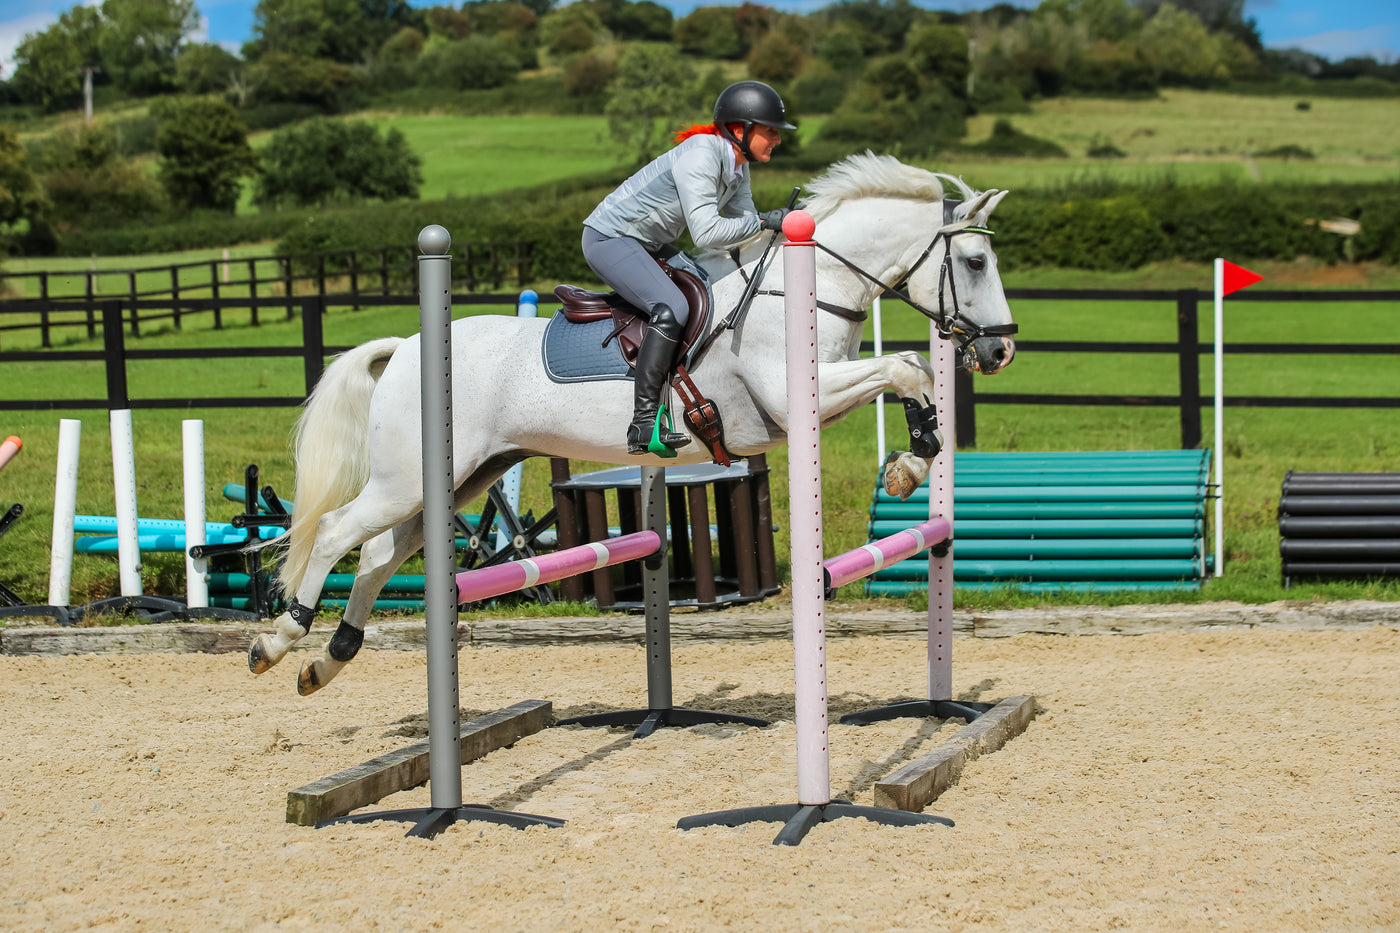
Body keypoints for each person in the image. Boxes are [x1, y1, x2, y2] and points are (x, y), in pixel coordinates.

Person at [582, 80, 796, 455]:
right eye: (770, 131)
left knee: (707, 288)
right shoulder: (702, 155)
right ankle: (643, 423)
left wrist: (772, 229)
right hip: (609, 239)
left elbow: (741, 226)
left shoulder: (736, 167)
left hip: (645, 242)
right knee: (672, 308)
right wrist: (766, 223)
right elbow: (709, 233)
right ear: (739, 129)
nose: (777, 139)